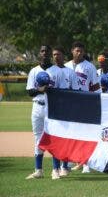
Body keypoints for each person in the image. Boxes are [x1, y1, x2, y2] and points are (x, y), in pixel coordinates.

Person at [26, 45, 68, 180]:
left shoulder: (57, 71)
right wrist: (40, 89)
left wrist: (50, 90)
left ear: (51, 54)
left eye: (47, 51)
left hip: (52, 107)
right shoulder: (34, 71)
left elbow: (64, 92)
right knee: (38, 138)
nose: (44, 53)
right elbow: (29, 92)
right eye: (42, 50)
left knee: (54, 137)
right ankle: (38, 170)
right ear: (39, 53)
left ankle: (55, 169)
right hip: (37, 107)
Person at [65, 41, 99, 173]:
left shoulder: (89, 67)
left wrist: (95, 103)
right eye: (76, 50)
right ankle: (66, 163)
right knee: (69, 134)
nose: (79, 53)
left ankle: (86, 164)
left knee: (85, 134)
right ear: (72, 51)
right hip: (67, 104)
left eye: (81, 51)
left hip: (84, 103)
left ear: (84, 52)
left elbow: (96, 87)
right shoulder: (65, 66)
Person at [52, 46, 79, 177]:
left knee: (67, 139)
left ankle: (65, 166)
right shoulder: (49, 71)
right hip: (54, 110)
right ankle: (55, 169)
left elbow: (76, 91)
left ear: (63, 56)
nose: (56, 56)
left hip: (67, 109)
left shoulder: (70, 72)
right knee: (56, 139)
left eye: (58, 54)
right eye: (54, 54)